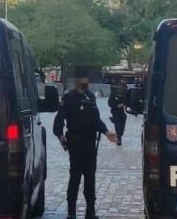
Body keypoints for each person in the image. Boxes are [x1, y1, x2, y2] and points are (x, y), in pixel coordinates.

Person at [53, 72, 117, 219]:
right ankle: (71, 212)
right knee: (75, 177)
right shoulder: (68, 98)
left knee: (90, 178)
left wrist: (106, 132)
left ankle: (90, 211)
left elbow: (96, 120)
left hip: (90, 143)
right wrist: (60, 136)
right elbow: (59, 120)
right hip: (75, 143)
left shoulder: (90, 97)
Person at [107, 81, 128, 146]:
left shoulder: (125, 93)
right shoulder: (114, 93)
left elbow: (128, 101)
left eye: (122, 85)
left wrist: (123, 104)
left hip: (123, 113)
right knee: (117, 126)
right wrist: (116, 105)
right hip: (115, 112)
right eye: (119, 85)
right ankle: (119, 139)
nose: (120, 87)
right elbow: (109, 103)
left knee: (122, 127)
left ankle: (119, 135)